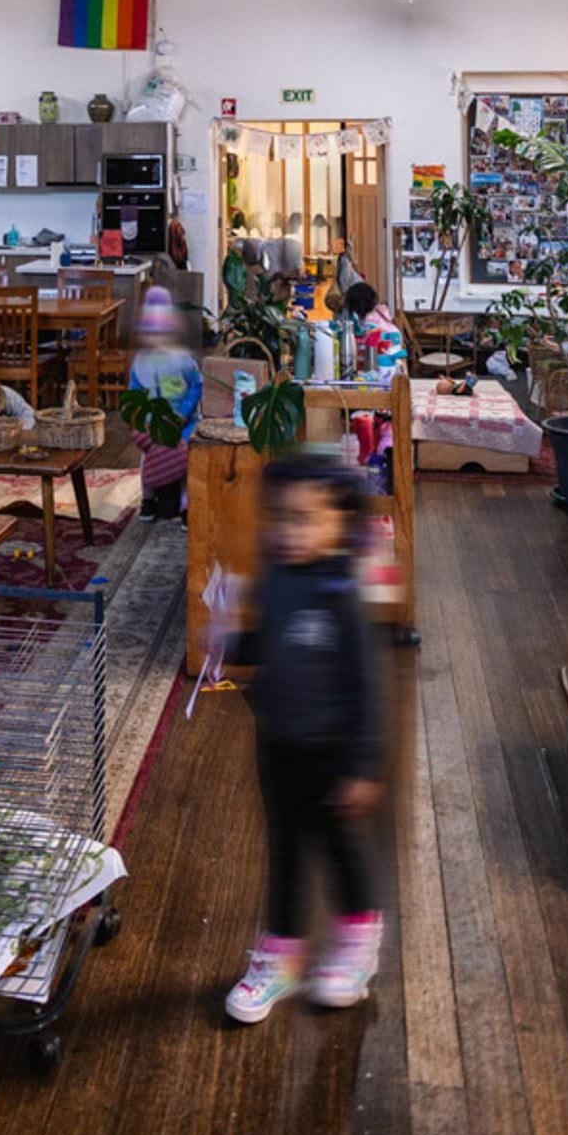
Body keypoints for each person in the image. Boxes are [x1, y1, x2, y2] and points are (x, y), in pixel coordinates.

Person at [223, 456, 384, 1025]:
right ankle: (283, 955)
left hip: (334, 753)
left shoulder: (342, 592)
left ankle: (357, 943)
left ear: (341, 523)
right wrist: (230, 641)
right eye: (279, 519)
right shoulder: (275, 577)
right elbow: (263, 646)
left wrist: (363, 767)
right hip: (278, 745)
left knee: (339, 851)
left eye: (304, 519)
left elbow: (367, 687)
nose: (288, 532)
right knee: (286, 852)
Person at [126, 285, 202, 521]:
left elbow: (196, 386)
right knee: (145, 457)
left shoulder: (182, 361)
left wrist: (184, 413)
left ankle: (186, 501)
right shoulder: (140, 363)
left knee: (188, 457)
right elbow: (134, 394)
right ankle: (148, 498)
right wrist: (139, 420)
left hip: (182, 421)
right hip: (153, 424)